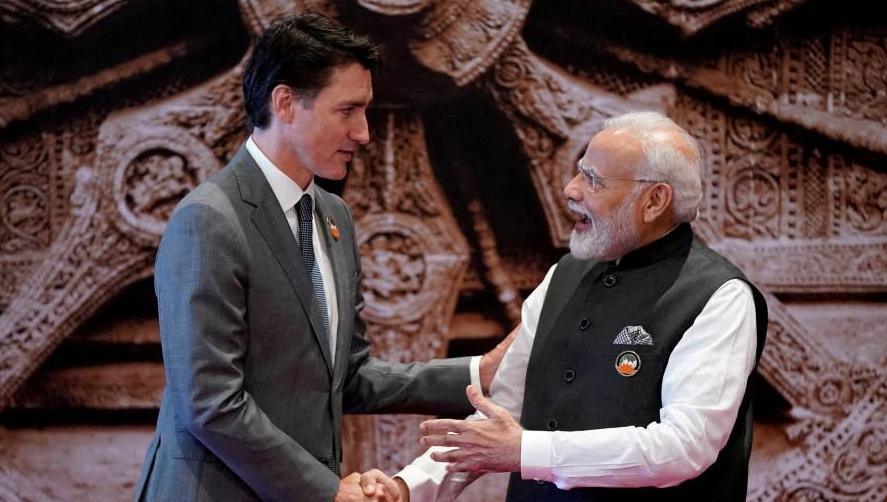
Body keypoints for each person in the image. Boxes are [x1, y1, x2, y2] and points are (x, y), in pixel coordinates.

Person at [134, 13, 506, 502]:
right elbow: (209, 402)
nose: (363, 133)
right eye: (347, 110)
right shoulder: (208, 219)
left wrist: (478, 372)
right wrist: (325, 490)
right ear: (285, 103)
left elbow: (349, 376)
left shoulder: (333, 216)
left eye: (365, 111)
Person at [394, 111, 769, 501]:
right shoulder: (564, 275)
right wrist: (405, 488)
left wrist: (527, 451)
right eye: (579, 172)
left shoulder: (719, 296)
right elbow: (503, 411)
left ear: (655, 200)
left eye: (593, 179)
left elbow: (684, 447)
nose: (571, 190)